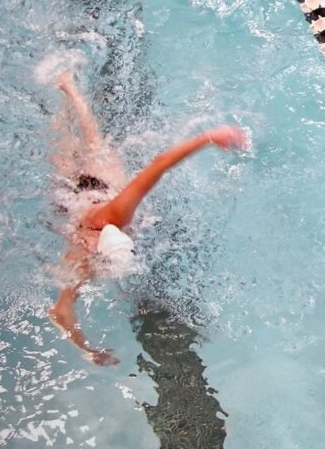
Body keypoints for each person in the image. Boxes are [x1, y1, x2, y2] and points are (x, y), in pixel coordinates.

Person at [48, 69, 247, 365]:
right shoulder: (115, 216)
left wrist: (87, 351)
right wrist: (207, 137)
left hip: (76, 200)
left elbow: (61, 312)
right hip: (99, 185)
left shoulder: (81, 259)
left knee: (77, 147)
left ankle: (68, 89)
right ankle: (67, 88)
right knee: (85, 140)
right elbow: (159, 164)